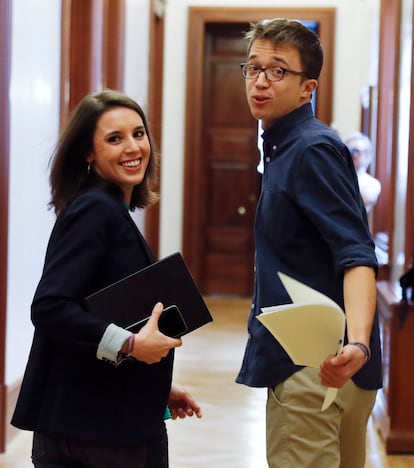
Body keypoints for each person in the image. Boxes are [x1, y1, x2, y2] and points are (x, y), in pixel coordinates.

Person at [11, 89, 202, 467]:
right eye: (115, 139)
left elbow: (98, 313)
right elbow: (49, 307)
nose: (133, 147)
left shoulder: (107, 208)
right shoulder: (96, 209)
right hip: (98, 434)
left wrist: (156, 388)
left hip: (99, 420)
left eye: (139, 133)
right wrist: (131, 345)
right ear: (88, 153)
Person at [235, 19, 382, 468]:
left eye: (278, 70)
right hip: (325, 365)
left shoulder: (309, 148)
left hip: (315, 367)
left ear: (307, 88)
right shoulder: (285, 147)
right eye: (253, 68)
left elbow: (356, 251)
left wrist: (356, 346)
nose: (260, 80)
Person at [345, 131, 381, 212]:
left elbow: (355, 204)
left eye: (357, 151)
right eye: (350, 150)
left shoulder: (372, 184)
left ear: (367, 155)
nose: (353, 155)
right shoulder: (337, 176)